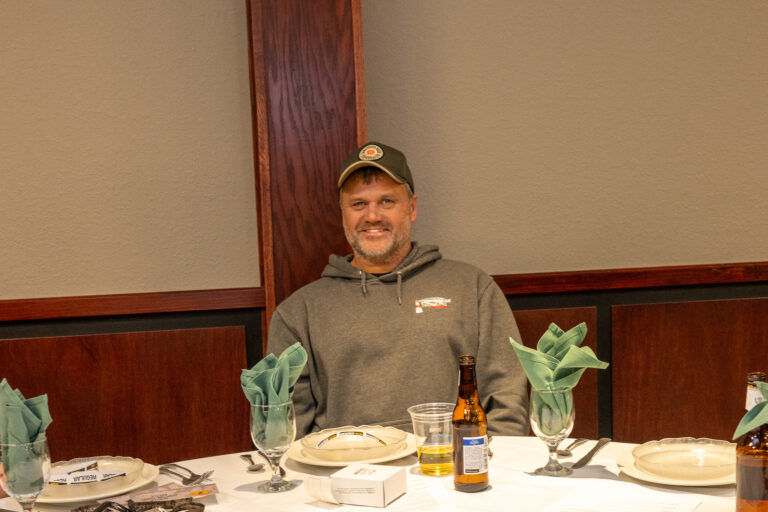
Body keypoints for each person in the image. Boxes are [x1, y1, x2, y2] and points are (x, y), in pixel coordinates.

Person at [266, 141, 528, 437]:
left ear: (412, 208)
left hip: (449, 461)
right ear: (342, 213)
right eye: (358, 204)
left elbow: (507, 401)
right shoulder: (298, 312)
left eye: (387, 201)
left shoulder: (472, 288)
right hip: (344, 465)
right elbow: (286, 433)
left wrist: (486, 460)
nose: (372, 216)